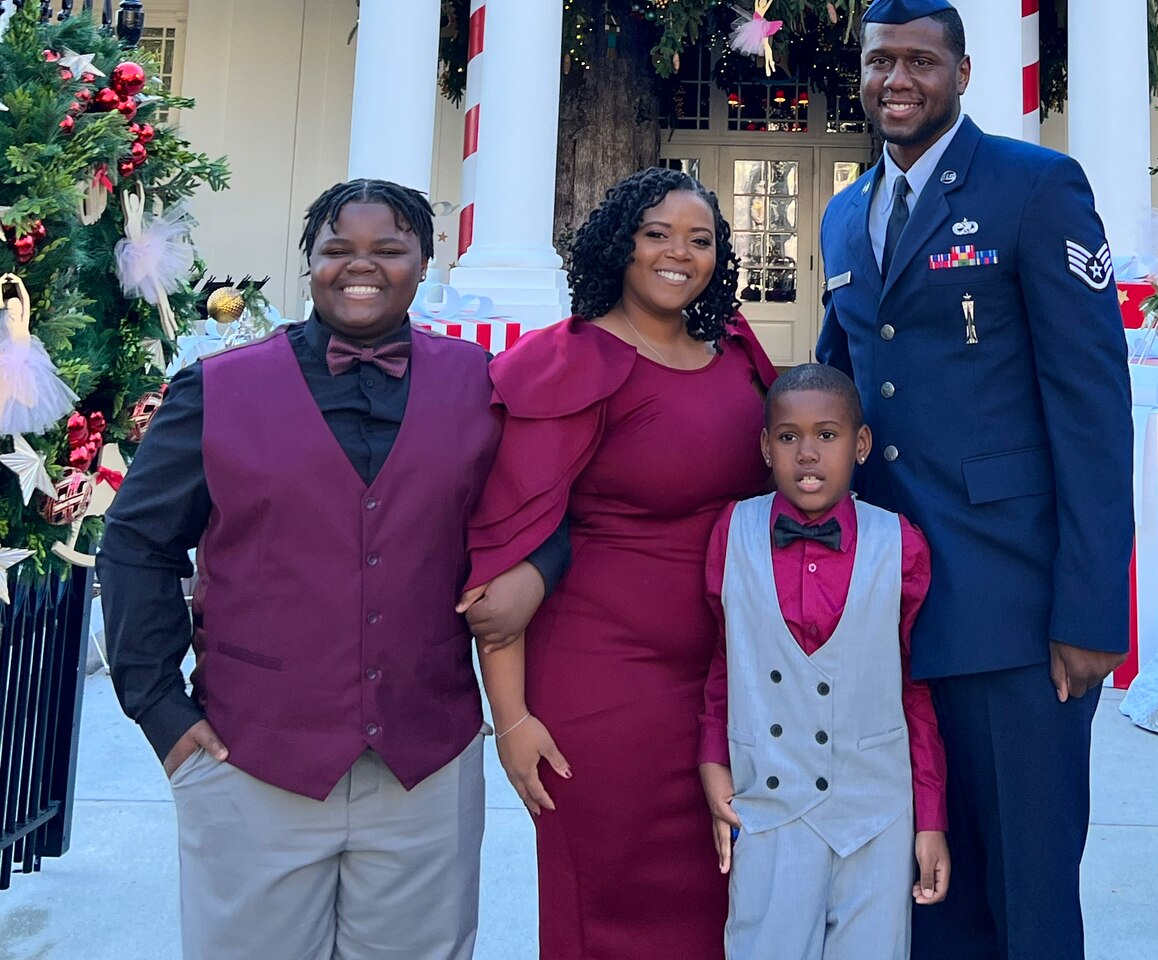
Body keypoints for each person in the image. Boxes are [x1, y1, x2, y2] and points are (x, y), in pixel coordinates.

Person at [98, 177, 566, 960]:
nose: (362, 266)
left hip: (427, 764)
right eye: (337, 249)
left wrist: (539, 572)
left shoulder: (484, 384)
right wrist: (159, 709)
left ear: (424, 263)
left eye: (388, 249)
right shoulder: (216, 388)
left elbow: (548, 509)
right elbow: (137, 543)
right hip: (252, 760)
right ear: (309, 261)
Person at [817, 0, 1134, 960]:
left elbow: (1090, 408)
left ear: (962, 71)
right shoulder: (842, 212)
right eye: (879, 61)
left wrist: (1090, 611)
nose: (896, 78)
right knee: (925, 890)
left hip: (1012, 611)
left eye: (919, 59)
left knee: (1029, 895)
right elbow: (842, 396)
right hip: (893, 614)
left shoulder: (1035, 186)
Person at [464, 167, 775, 960]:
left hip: (729, 681)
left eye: (699, 239)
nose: (680, 254)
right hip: (603, 687)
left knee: (723, 900)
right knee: (606, 907)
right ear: (620, 248)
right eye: (657, 235)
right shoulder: (571, 362)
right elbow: (502, 559)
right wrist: (512, 722)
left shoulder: (737, 351)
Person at [699, 362, 949, 960]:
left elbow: (915, 689)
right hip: (770, 806)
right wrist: (713, 762)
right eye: (789, 437)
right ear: (766, 445)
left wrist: (929, 819)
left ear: (861, 444)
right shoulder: (733, 532)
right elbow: (724, 664)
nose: (807, 453)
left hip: (876, 815)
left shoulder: (900, 542)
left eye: (828, 435)